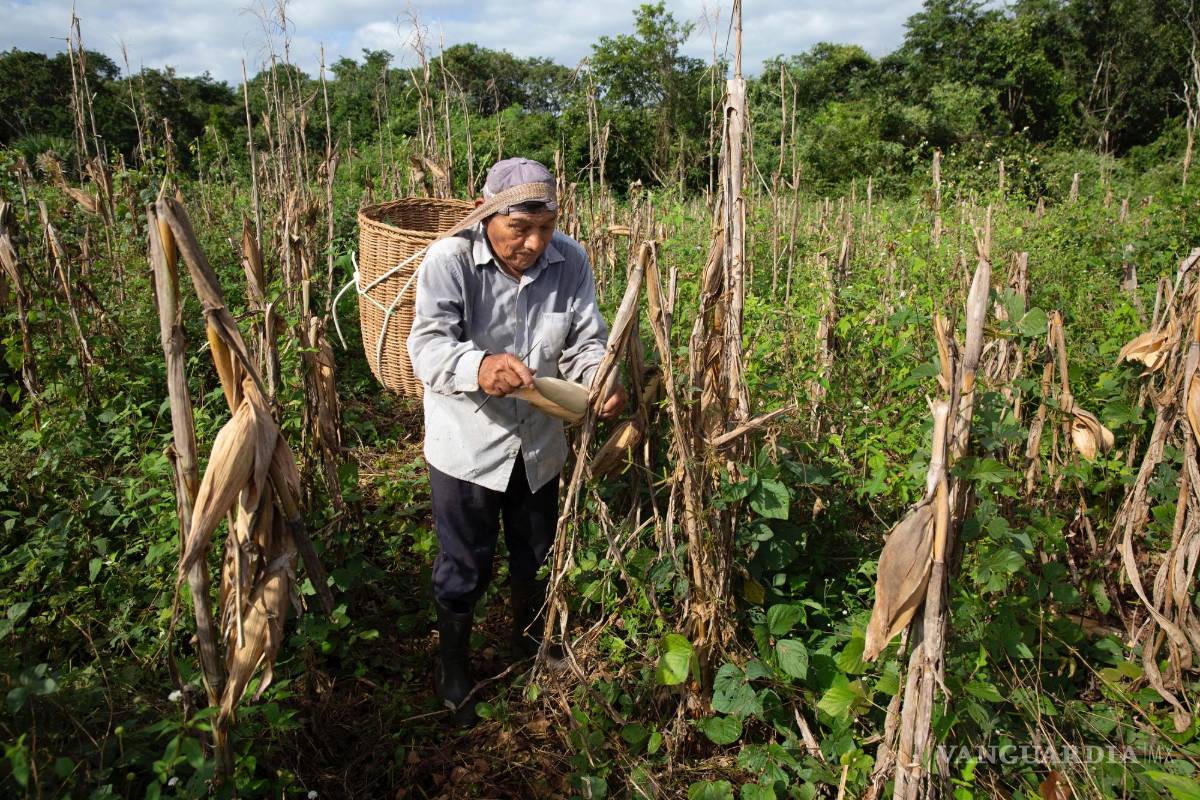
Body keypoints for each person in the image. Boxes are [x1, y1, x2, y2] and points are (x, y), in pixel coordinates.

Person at [407, 157, 625, 724]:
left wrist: (600, 377)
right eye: (519, 229)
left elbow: (585, 339)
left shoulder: (570, 260)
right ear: (487, 214)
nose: (533, 243)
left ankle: (527, 642)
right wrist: (479, 366)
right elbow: (427, 347)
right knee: (465, 563)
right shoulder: (450, 260)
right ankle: (453, 667)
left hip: (538, 445)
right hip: (468, 445)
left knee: (535, 551)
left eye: (545, 228)